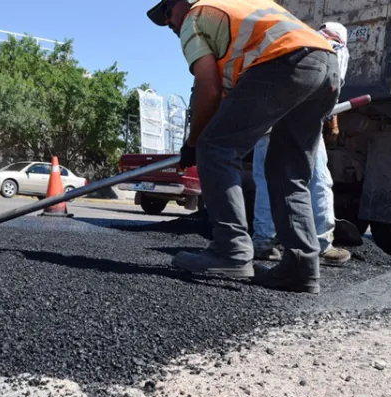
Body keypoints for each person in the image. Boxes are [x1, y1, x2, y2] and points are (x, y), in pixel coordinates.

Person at [147, 0, 341, 294]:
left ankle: (231, 248)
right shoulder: (238, 8)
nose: (169, 23)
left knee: (214, 148)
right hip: (325, 63)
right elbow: (228, 99)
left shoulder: (196, 17)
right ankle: (301, 267)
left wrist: (194, 142)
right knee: (286, 170)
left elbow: (208, 88)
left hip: (285, 61)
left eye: (167, 13)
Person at [251, 22, 351, 265]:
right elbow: (331, 86)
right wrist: (331, 123)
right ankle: (322, 243)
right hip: (300, 121)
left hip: (265, 117)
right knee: (316, 178)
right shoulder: (335, 49)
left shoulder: (293, 41)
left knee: (266, 179)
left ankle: (263, 242)